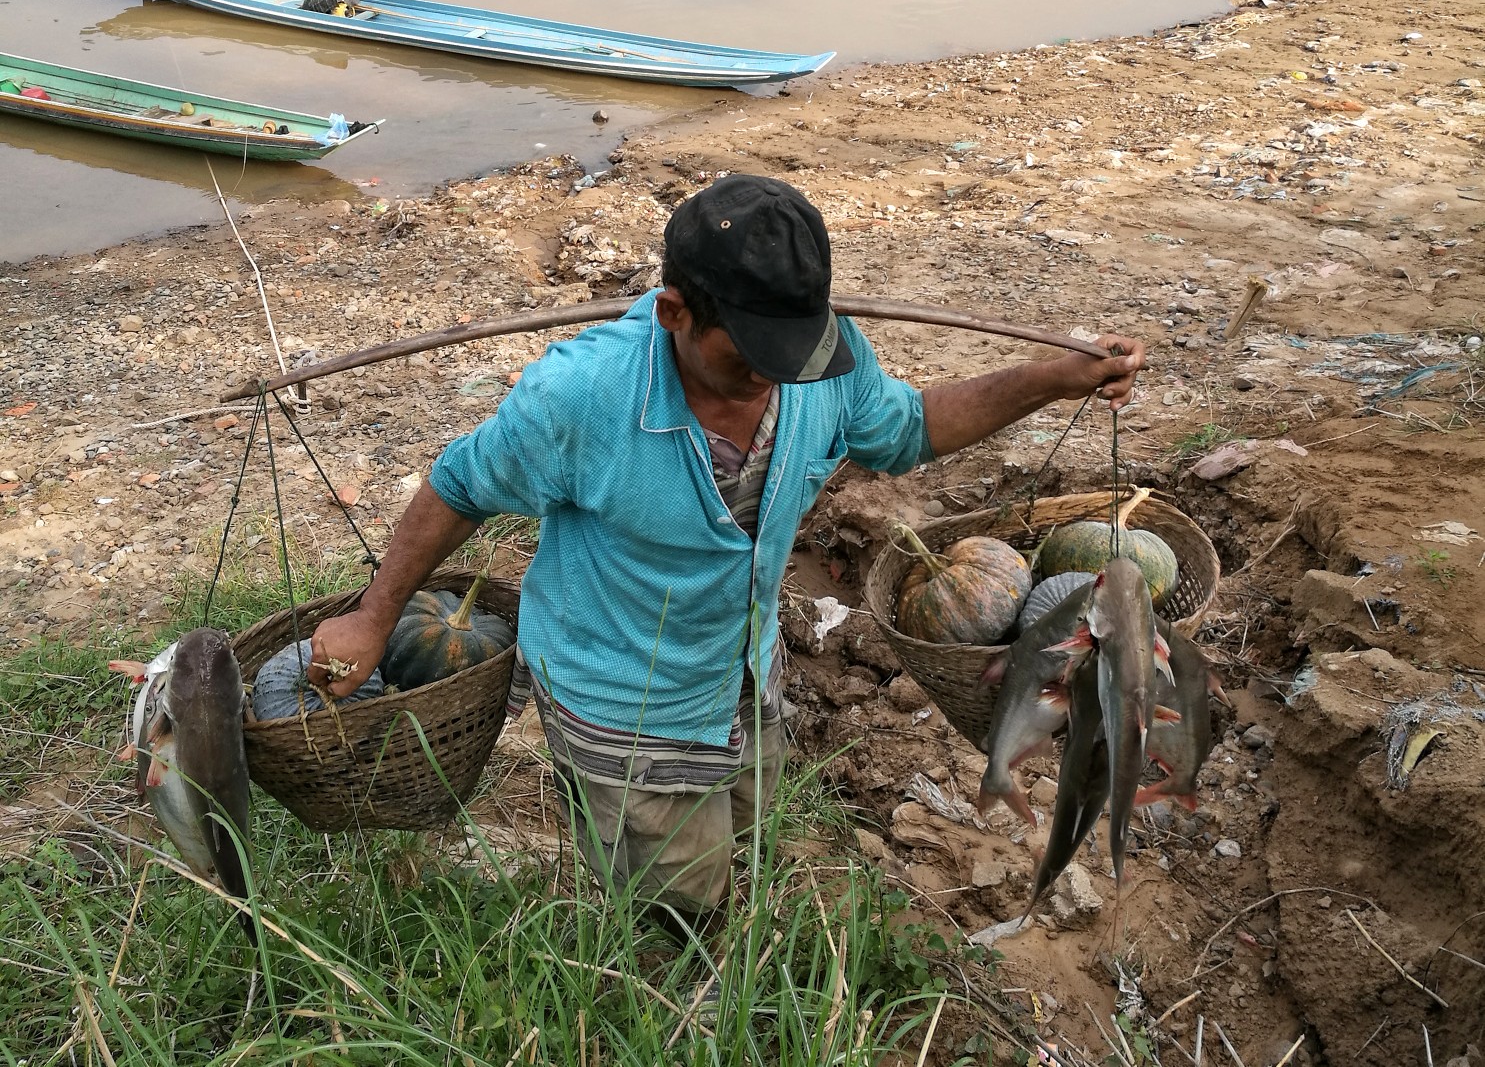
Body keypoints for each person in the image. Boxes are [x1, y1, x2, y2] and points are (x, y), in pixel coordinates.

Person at [309, 174, 1145, 917]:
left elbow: (908, 428)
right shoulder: (578, 397)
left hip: (744, 672)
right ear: (675, 312)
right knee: (671, 905)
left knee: (738, 830)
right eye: (750, 359)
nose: (777, 379)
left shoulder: (827, 358)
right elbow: (457, 487)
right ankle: (677, 972)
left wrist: (1046, 378)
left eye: (795, 355)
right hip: (622, 700)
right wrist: (375, 615)